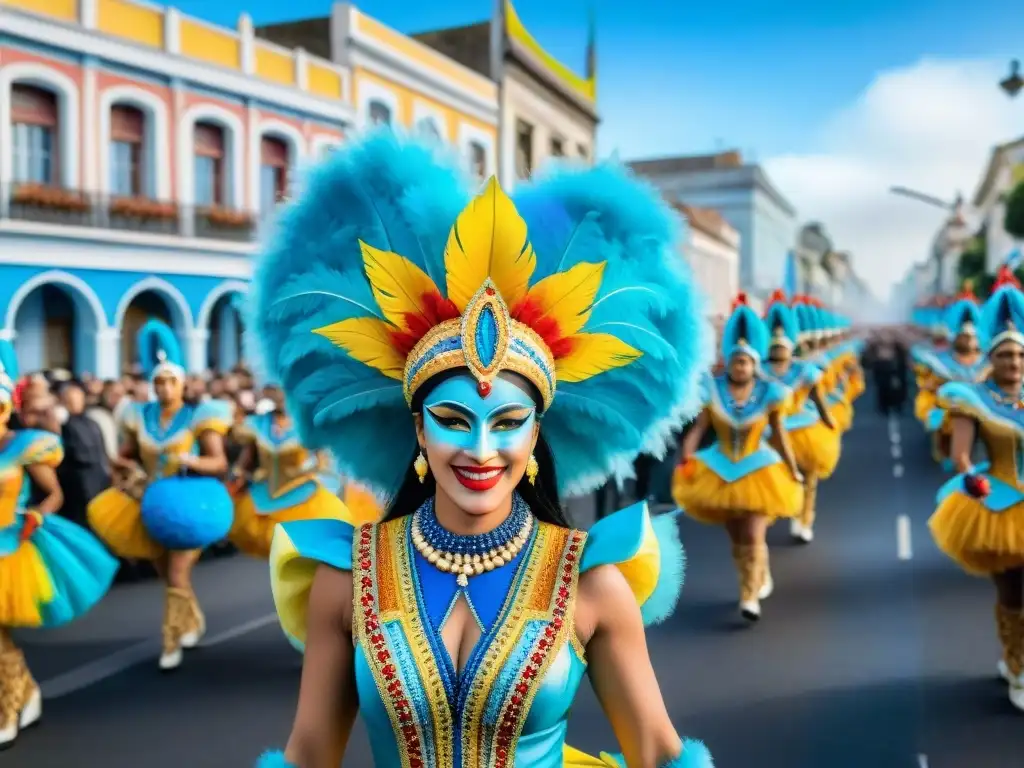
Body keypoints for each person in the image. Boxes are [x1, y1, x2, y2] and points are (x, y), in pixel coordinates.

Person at [252, 133, 714, 767]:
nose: (480, 448)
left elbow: (660, 754)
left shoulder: (591, 583)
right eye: (452, 419)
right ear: (418, 430)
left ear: (534, 435)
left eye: (507, 422)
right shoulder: (348, 579)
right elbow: (308, 756)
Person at [87, 320, 233, 671]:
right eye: (158, 382)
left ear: (182, 384)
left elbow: (219, 462)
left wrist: (193, 459)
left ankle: (171, 640)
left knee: (179, 573)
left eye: (170, 381)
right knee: (168, 575)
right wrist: (120, 467)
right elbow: (127, 454)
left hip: (188, 506)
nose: (164, 388)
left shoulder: (199, 417)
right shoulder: (140, 416)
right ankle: (192, 619)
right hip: (151, 505)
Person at [0, 341, 118, 749]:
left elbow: (53, 495)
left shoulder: (24, 445)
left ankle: (10, 706)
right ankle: (26, 692)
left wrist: (36, 514)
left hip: (13, 546)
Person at [673, 292, 803, 622]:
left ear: (754, 363)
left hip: (759, 469)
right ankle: (757, 574)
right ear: (729, 362)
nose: (740, 366)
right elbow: (698, 429)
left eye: (745, 361)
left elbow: (781, 434)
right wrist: (686, 457)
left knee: (754, 532)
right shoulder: (713, 390)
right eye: (735, 361)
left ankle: (748, 596)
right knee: (736, 537)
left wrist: (792, 469)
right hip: (720, 469)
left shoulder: (770, 393)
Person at [929, 268, 1024, 712]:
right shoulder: (973, 399)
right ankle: (1017, 665)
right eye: (1006, 357)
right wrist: (969, 477)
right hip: (1000, 503)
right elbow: (963, 455)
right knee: (1012, 593)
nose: (1015, 364)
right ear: (993, 357)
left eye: (1020, 356)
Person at [228, 384, 372, 559]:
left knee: (309, 551)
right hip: (266, 495)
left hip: (303, 496)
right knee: (278, 552)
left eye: (283, 388)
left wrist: (306, 473)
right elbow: (248, 456)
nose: (279, 394)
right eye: (274, 388)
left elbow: (323, 462)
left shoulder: (308, 423)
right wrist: (239, 473)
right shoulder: (258, 424)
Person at [760, 290, 839, 544]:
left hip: (803, 428)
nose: (778, 349)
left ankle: (804, 520)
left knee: (808, 478)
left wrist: (829, 422)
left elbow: (818, 398)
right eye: (774, 346)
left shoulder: (804, 370)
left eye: (782, 346)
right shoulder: (758, 371)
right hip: (769, 430)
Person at [914, 282, 988, 465]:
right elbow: (929, 387)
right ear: (955, 337)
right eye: (964, 336)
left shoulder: (988, 364)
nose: (969, 340)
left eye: (972, 336)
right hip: (952, 413)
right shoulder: (940, 362)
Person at [57, 382, 111, 527]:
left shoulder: (92, 423)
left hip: (99, 481)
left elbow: (101, 453)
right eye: (70, 400)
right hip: (76, 485)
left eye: (77, 398)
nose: (74, 403)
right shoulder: (62, 424)